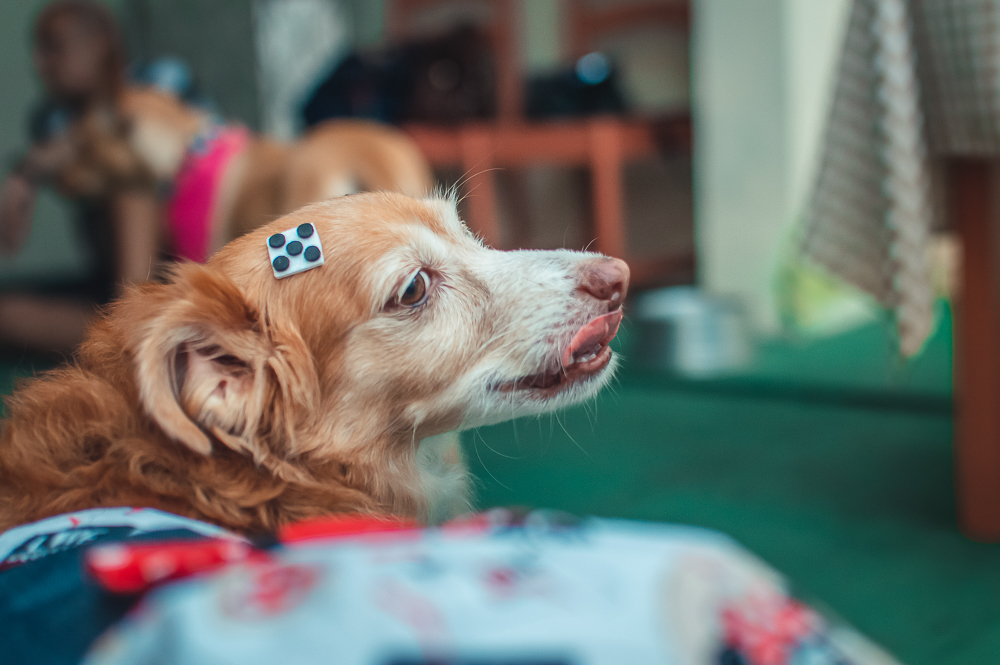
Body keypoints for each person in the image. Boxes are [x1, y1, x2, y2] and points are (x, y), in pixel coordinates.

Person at [0, 1, 160, 354]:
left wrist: (28, 171)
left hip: (180, 276)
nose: (40, 64)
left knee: (127, 170)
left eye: (54, 48)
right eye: (38, 50)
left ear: (100, 44)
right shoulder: (53, 119)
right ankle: (129, 328)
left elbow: (132, 122)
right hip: (110, 287)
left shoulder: (159, 82)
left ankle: (135, 328)